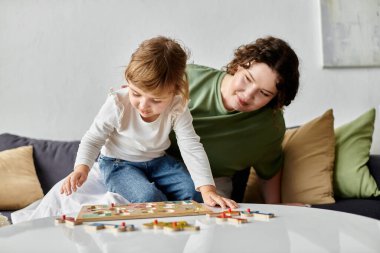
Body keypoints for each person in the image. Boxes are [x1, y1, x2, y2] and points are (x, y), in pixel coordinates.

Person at [60, 36, 237, 209]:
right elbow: (93, 138)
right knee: (149, 199)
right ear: (127, 81)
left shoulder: (177, 106)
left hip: (159, 161)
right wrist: (81, 168)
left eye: (156, 100)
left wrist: (207, 188)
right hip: (119, 163)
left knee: (194, 194)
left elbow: (190, 145)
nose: (143, 105)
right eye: (136, 93)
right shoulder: (117, 103)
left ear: (176, 90)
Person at [167, 36, 300, 204]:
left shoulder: (269, 126)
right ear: (239, 65)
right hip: (156, 169)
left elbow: (269, 172)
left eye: (264, 93)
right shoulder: (186, 78)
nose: (248, 95)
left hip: (214, 186)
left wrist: (278, 210)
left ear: (275, 100)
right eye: (247, 79)